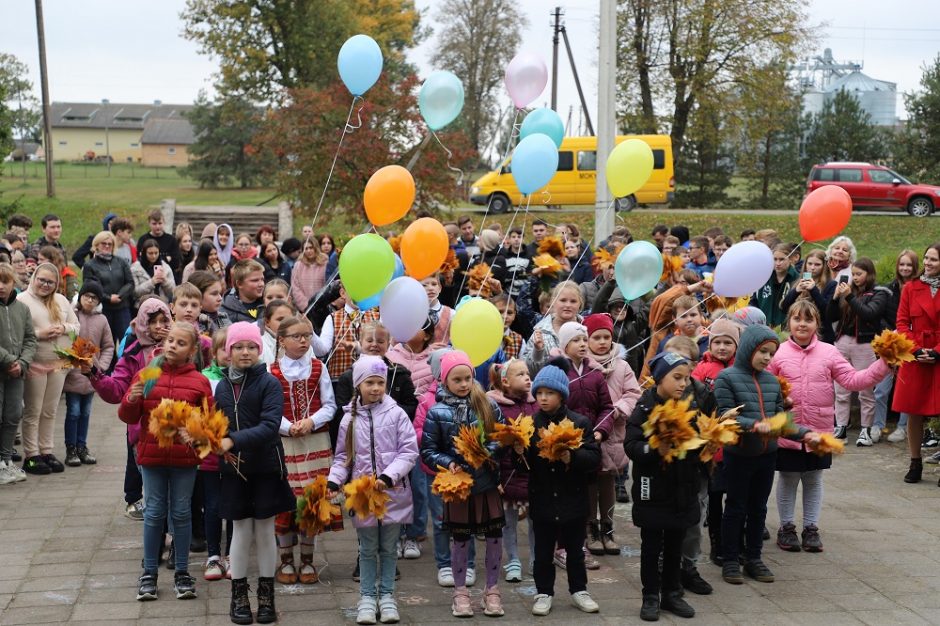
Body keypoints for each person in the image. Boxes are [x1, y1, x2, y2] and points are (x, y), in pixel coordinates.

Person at [768, 300, 890, 552]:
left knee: (813, 479)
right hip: (788, 430)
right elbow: (766, 388)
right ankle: (786, 527)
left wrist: (884, 364)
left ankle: (811, 527)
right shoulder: (777, 353)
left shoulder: (829, 352)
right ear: (788, 322)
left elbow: (854, 379)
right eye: (797, 319)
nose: (802, 324)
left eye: (808, 319)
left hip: (819, 430)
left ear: (817, 324)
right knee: (788, 478)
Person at [713, 325, 818, 585]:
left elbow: (782, 421)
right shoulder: (726, 378)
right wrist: (753, 425)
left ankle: (754, 558)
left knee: (759, 509)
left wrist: (805, 433)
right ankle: (729, 560)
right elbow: (725, 416)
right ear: (749, 348)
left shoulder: (771, 381)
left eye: (771, 354)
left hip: (767, 455)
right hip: (739, 455)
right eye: (762, 352)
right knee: (735, 508)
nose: (767, 358)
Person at [119, 322, 210, 602]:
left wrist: (193, 431)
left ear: (192, 351)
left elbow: (209, 426)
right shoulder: (147, 374)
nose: (172, 346)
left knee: (181, 513)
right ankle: (149, 573)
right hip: (151, 456)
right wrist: (131, 399)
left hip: (184, 458)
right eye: (171, 340)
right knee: (154, 512)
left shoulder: (200, 382)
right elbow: (128, 417)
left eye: (181, 343)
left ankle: (182, 572)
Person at [328, 355, 419, 625]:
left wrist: (389, 476)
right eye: (370, 382)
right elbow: (343, 458)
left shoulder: (396, 414)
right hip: (363, 495)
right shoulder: (348, 419)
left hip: (393, 492)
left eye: (380, 382)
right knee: (366, 548)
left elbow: (408, 450)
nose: (376, 388)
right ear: (359, 385)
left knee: (389, 547)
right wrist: (334, 481)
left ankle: (387, 596)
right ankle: (367, 597)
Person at [213, 322, 294, 624]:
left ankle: (266, 596)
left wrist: (233, 440)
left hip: (265, 467)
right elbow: (217, 424)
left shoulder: (269, 383)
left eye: (251, 347)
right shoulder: (222, 385)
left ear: (260, 350)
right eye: (238, 347)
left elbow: (269, 426)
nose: (245, 352)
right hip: (234, 470)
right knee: (239, 530)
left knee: (264, 529)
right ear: (228, 351)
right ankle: (239, 596)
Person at [421, 351, 508, 618]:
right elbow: (428, 449)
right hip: (458, 486)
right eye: (456, 379)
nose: (463, 384)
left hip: (486, 483)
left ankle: (492, 590)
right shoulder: (437, 412)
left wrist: (486, 453)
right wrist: (449, 463)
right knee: (460, 539)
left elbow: (501, 435)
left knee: (494, 537)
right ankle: (460, 592)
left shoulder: (487, 405)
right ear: (444, 381)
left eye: (467, 378)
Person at [625, 352, 704, 621]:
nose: (683, 384)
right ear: (659, 378)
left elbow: (696, 442)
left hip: (682, 488)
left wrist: (703, 449)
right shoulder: (644, 408)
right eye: (677, 377)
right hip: (652, 489)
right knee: (651, 546)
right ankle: (650, 595)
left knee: (675, 544)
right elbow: (632, 446)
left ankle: (672, 592)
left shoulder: (688, 408)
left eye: (686, 378)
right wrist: (655, 447)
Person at [520, 363, 601, 616]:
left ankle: (579, 590)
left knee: (575, 551)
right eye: (539, 393)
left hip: (573, 499)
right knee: (543, 552)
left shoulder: (580, 422)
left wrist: (572, 458)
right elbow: (523, 466)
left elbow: (593, 458)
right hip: (542, 498)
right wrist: (518, 453)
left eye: (549, 393)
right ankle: (544, 592)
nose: (543, 398)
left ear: (562, 395)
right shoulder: (530, 424)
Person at [269, 316, 340, 585]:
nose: (303, 341)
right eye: (296, 336)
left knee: (312, 501)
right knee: (286, 500)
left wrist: (311, 421)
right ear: (282, 340)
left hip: (315, 442)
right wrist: (288, 427)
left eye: (307, 336)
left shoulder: (318, 367)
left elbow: (330, 405)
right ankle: (286, 560)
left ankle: (308, 559)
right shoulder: (271, 371)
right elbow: (269, 410)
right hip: (285, 443)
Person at [89, 298, 172, 518]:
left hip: (177, 427)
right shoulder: (133, 353)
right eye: (152, 322)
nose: (158, 327)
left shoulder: (180, 347)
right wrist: (94, 373)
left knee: (177, 494)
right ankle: (156, 537)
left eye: (164, 321)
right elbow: (116, 390)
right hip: (143, 431)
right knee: (154, 493)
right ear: (142, 324)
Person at [583, 313, 640, 554]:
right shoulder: (582, 365)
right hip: (589, 432)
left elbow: (633, 393)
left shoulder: (622, 365)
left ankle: (607, 527)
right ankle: (590, 528)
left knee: (608, 481)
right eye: (597, 337)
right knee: (590, 483)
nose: (603, 342)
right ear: (586, 340)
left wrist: (619, 410)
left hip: (614, 433)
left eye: (607, 337)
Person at [17, 263, 79, 475]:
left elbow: (76, 326)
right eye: (41, 280)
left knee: (50, 410)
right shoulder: (22, 300)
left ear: (56, 284)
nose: (45, 284)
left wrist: (63, 328)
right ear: (34, 278)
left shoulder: (61, 300)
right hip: (34, 363)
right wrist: (39, 334)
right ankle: (31, 455)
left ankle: (46, 450)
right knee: (33, 410)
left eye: (50, 282)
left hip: (58, 364)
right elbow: (17, 332)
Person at [825, 258, 888, 445]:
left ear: (869, 274)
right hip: (842, 341)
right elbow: (830, 316)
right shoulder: (847, 290)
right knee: (840, 389)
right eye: (854, 274)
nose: (856, 277)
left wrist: (850, 297)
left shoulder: (879, 293)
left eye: (860, 274)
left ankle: (865, 430)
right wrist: (836, 298)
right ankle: (841, 428)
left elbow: (869, 313)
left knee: (866, 389)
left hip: (865, 343)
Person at [892, 243, 940, 484]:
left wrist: (937, 352)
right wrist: (917, 349)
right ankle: (915, 462)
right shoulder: (911, 288)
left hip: (939, 357)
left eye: (934, 259)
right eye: (926, 258)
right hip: (916, 355)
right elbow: (901, 323)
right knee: (914, 411)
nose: (928, 263)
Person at [486, 359, 537, 583]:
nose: (527, 377)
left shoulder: (535, 404)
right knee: (508, 521)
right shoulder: (495, 406)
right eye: (520, 374)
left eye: (528, 373)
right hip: (508, 474)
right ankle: (513, 559)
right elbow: (491, 440)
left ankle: (537, 559)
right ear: (505, 382)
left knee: (536, 520)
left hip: (533, 474)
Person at [62, 281, 114, 467]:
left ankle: (82, 446)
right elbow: (64, 340)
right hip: (73, 374)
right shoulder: (72, 316)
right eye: (87, 296)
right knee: (74, 412)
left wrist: (103, 366)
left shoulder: (102, 320)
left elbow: (108, 345)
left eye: (94, 298)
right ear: (80, 297)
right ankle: (71, 448)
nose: (90, 300)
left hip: (92, 376)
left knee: (86, 412)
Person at [0, 263, 36, 484]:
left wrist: (22, 363)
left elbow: (30, 339)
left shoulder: (22, 309)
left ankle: (5, 461)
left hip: (16, 373)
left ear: (13, 283)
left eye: (5, 281)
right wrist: (9, 359)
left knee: (13, 415)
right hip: (4, 368)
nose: (1, 286)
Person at [880, 250, 919, 443]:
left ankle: (903, 426)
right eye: (901, 264)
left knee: (905, 388)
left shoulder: (919, 288)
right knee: (881, 388)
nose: (904, 268)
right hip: (891, 343)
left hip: (911, 344)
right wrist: (892, 336)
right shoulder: (889, 289)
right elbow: (883, 316)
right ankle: (877, 425)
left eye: (909, 265)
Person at [82, 231, 135, 342]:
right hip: (103, 309)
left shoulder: (121, 262)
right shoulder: (90, 265)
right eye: (103, 243)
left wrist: (119, 296)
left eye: (109, 244)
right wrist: (108, 298)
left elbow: (130, 283)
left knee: (127, 341)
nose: (107, 246)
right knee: (106, 342)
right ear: (96, 245)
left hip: (122, 308)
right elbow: (90, 287)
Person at [520, 281, 583, 372]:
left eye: (573, 301)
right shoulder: (540, 332)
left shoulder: (587, 327)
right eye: (563, 300)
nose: (568, 305)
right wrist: (537, 352)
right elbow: (529, 371)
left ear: (580, 303)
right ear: (553, 301)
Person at [751, 243, 798, 329]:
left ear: (790, 259)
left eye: (782, 259)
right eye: (775, 259)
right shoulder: (764, 276)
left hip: (787, 326)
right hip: (763, 325)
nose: (778, 263)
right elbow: (754, 301)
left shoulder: (796, 278)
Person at [132, 239, 177, 308]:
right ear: (144, 253)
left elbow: (173, 291)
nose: (154, 256)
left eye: (156, 253)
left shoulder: (165, 267)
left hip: (162, 306)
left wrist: (165, 280)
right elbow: (135, 293)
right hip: (143, 307)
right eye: (150, 253)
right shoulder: (135, 268)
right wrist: (151, 282)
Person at [222, 259, 266, 324]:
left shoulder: (268, 303)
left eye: (262, 279)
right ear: (239, 284)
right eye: (255, 280)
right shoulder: (224, 310)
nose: (261, 284)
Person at [291, 237, 328, 312]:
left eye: (311, 248)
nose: (308, 251)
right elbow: (295, 287)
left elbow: (328, 284)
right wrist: (305, 306)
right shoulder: (298, 265)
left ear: (316, 248)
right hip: (304, 309)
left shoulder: (325, 263)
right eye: (306, 248)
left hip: (323, 307)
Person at [188, 270, 231, 337]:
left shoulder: (223, 317)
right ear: (198, 296)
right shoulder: (191, 324)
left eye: (220, 293)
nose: (220, 298)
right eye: (214, 294)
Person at [260, 300, 294, 368]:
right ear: (267, 322)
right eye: (280, 319)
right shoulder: (260, 345)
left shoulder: (302, 341)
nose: (286, 323)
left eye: (289, 319)